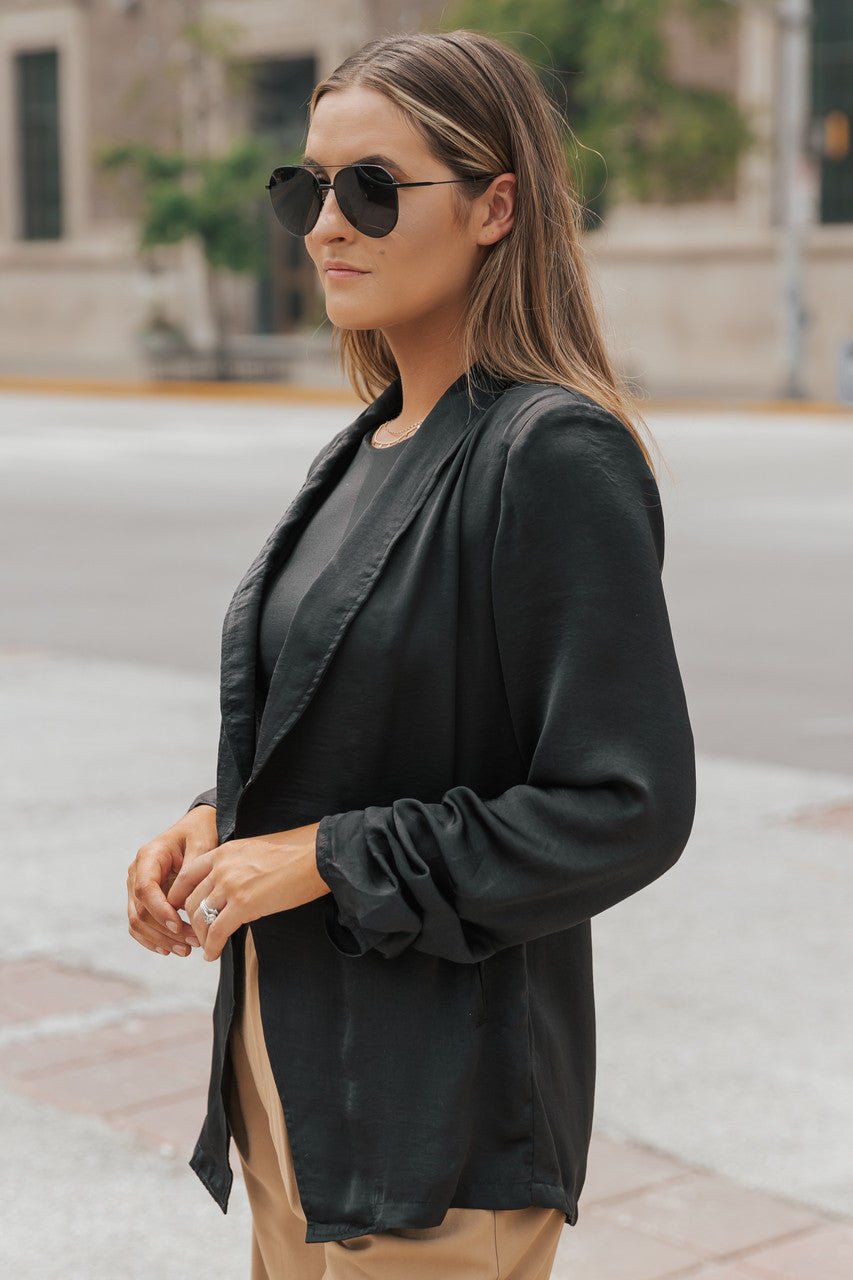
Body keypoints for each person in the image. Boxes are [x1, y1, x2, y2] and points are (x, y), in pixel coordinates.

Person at [126, 27, 696, 1280]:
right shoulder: (367, 444)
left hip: (437, 1129)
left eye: (373, 188)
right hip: (296, 1083)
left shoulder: (550, 454)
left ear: (497, 206)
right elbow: (363, 720)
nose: (328, 223)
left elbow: (626, 806)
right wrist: (218, 821)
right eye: (306, 187)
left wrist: (323, 856)